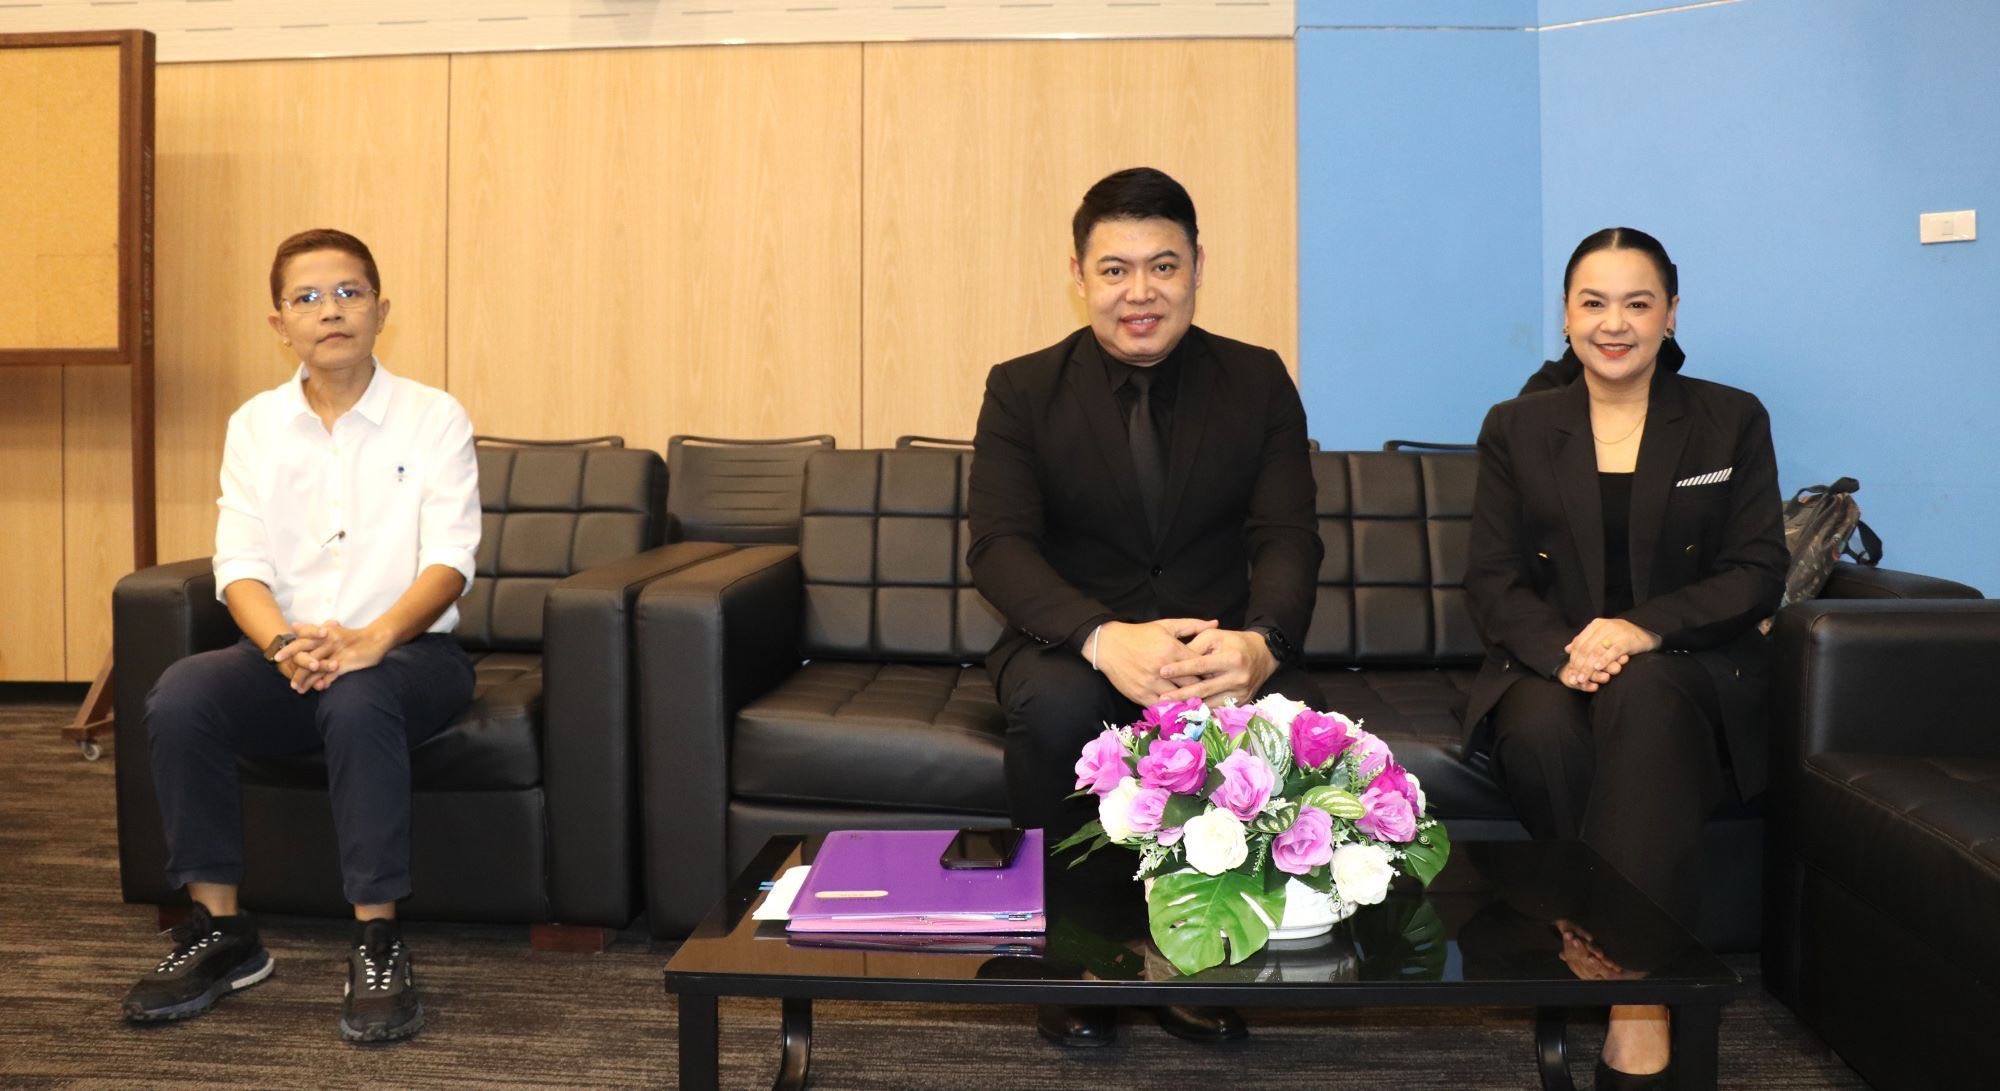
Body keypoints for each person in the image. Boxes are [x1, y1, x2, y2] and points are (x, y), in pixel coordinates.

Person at [968, 167, 1324, 1047]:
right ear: (1079, 275)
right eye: (1115, 269)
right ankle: (1080, 957)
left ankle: (1192, 956)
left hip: (1216, 641)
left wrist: (1261, 643)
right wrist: (1100, 636)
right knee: (1063, 707)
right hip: (1068, 642)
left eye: (1162, 266)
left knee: (1260, 716)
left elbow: (1288, 534)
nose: (1140, 292)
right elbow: (1000, 547)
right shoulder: (1021, 389)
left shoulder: (1257, 380)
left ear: (1197, 266)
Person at [123, 229, 480, 1044]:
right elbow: (239, 565)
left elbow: (451, 561)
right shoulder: (256, 425)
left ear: (382, 310)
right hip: (287, 653)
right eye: (308, 298)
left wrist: (373, 639)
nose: (332, 311)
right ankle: (224, 932)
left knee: (357, 697)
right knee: (183, 694)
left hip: (412, 654)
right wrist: (285, 645)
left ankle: (378, 938)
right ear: (279, 324)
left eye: (350, 292)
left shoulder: (433, 417)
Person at [1461, 227, 1786, 1088]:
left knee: (1645, 697)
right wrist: (1562, 653)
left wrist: (1641, 629)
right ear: (1566, 315)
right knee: (1539, 733)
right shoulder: (1517, 426)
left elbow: (1758, 570)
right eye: (1593, 302)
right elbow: (1492, 579)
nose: (1615, 323)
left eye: (1638, 303)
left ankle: (1631, 997)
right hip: (1550, 663)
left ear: (1670, 313)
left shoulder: (1729, 417)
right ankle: (1615, 962)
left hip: (1685, 662)